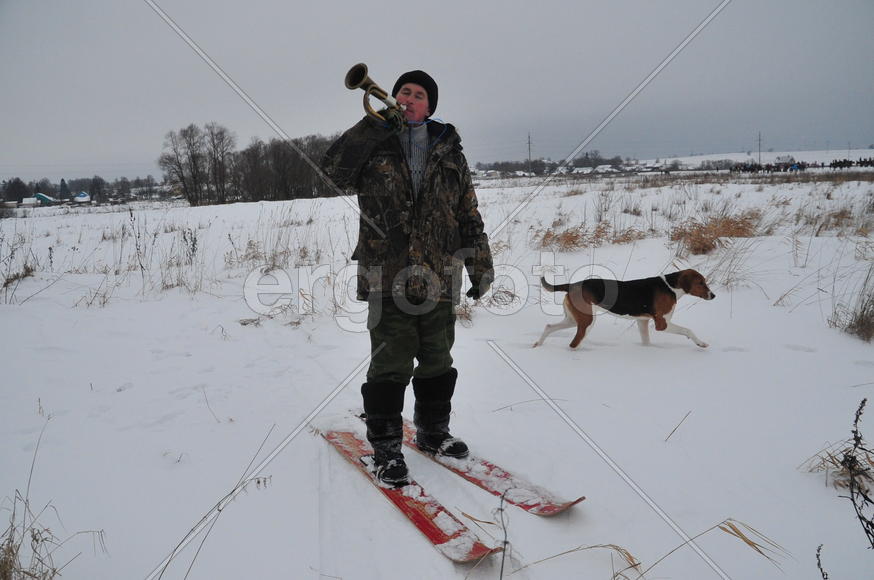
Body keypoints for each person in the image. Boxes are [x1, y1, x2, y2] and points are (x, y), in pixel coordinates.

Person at [323, 69, 493, 486]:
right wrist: (371, 125)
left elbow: (467, 210)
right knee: (390, 366)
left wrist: (480, 262)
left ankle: (434, 434)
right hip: (388, 275)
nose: (409, 98)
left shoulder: (450, 149)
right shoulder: (374, 140)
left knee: (438, 361)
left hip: (440, 274)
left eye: (418, 94)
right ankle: (386, 450)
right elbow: (333, 173)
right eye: (403, 92)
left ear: (430, 106)